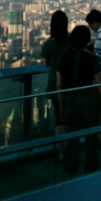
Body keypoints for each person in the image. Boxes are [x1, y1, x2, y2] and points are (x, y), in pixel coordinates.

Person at [56, 25, 101, 176]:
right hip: (89, 101)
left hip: (70, 101)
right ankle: (91, 170)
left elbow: (59, 85)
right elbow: (99, 83)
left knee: (72, 138)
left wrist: (61, 105)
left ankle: (69, 170)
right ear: (87, 40)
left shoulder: (63, 58)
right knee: (92, 138)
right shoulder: (91, 58)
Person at [39, 10, 71, 146]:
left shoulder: (48, 44)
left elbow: (46, 64)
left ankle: (61, 152)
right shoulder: (71, 40)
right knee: (71, 118)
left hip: (54, 83)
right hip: (70, 81)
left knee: (59, 118)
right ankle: (72, 150)